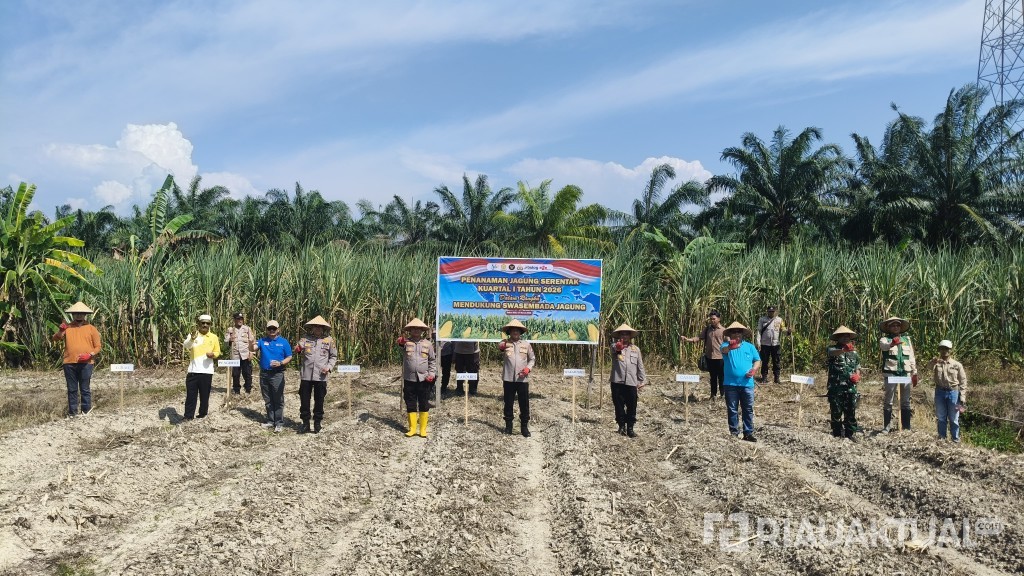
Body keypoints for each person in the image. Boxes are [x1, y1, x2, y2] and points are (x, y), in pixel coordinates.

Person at [52, 301, 102, 416]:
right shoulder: (67, 327)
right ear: (73, 315)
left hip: (86, 363)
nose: (78, 315)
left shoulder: (91, 328)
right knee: (72, 389)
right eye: (76, 313)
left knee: (85, 389)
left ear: (85, 315)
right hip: (69, 362)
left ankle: (86, 411)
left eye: (81, 313)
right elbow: (55, 338)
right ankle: (73, 413)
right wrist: (60, 330)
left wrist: (90, 354)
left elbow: (98, 346)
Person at [294, 315, 338, 434]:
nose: (317, 329)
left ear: (323, 328)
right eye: (315, 327)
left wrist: (328, 368)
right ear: (312, 328)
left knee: (319, 400)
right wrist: (298, 348)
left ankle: (317, 423)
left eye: (320, 327)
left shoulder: (329, 340)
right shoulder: (305, 339)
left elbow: (333, 357)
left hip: (321, 376)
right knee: (304, 400)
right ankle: (305, 423)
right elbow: (298, 348)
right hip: (306, 375)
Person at [721, 322, 761, 442]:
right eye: (734, 331)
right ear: (730, 334)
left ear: (742, 333)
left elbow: (757, 360)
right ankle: (734, 433)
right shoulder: (725, 345)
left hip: (747, 384)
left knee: (748, 409)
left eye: (739, 331)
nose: (737, 333)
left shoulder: (750, 347)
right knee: (732, 409)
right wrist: (731, 346)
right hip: (730, 384)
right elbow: (724, 350)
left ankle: (748, 433)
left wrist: (754, 369)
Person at [397, 318, 436, 438]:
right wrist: (400, 342)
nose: (416, 331)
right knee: (410, 403)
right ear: (410, 330)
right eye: (413, 329)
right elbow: (400, 344)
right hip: (409, 379)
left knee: (424, 403)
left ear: (422, 330)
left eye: (418, 329)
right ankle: (412, 428)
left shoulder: (427, 344)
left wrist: (431, 374)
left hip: (424, 379)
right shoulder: (406, 343)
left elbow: (432, 361)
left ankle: (423, 429)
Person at [878, 316, 918, 432]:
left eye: (898, 325)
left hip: (905, 373)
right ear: (888, 327)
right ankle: (887, 427)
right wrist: (892, 344)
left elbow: (911, 356)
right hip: (891, 374)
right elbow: (883, 347)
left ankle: (906, 427)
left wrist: (914, 371)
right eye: (893, 325)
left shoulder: (907, 339)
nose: (896, 327)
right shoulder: (885, 339)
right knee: (889, 401)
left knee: (905, 401)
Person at [498, 319, 536, 437]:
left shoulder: (526, 344)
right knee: (508, 403)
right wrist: (503, 345)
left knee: (524, 404)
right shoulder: (504, 343)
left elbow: (532, 359)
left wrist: (527, 369)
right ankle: (508, 426)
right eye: (513, 330)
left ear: (520, 333)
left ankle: (524, 427)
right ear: (509, 332)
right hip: (508, 378)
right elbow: (499, 347)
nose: (515, 332)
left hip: (522, 380)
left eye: (517, 331)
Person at [609, 323, 646, 438]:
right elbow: (616, 350)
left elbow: (640, 365)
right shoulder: (614, 346)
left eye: (626, 334)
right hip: (617, 381)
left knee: (632, 405)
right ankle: (621, 427)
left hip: (631, 381)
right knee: (618, 405)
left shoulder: (636, 350)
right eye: (622, 334)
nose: (624, 336)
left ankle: (630, 428)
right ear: (619, 335)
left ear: (630, 336)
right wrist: (619, 346)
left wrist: (642, 380)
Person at [927, 339, 968, 443]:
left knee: (954, 419)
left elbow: (963, 381)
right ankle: (942, 439)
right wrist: (933, 361)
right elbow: (928, 368)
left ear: (950, 350)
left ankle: (955, 440)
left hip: (953, 393)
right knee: (941, 417)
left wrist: (962, 397)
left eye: (946, 349)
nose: (944, 351)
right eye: (942, 349)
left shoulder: (957, 365)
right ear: (939, 350)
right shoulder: (936, 363)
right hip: (940, 392)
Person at [256, 320, 292, 433]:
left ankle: (279, 422)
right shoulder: (262, 341)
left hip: (277, 374)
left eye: (274, 329)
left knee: (278, 398)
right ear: (266, 330)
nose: (272, 331)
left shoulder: (284, 342)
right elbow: (253, 348)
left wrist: (281, 363)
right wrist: (251, 342)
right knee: (267, 398)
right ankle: (270, 420)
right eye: (269, 329)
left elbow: (289, 356)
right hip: (264, 373)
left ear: (278, 330)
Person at [826, 326, 862, 439]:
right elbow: (831, 354)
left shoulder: (854, 353)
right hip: (836, 387)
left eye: (848, 336)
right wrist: (843, 350)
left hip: (850, 387)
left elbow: (857, 366)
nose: (846, 338)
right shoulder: (832, 349)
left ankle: (849, 433)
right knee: (836, 411)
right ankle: (837, 433)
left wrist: (857, 375)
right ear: (838, 338)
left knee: (851, 410)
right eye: (843, 336)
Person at [183, 314, 221, 420]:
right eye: (202, 323)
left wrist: (213, 355)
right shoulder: (193, 335)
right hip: (193, 370)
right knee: (191, 395)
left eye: (207, 323)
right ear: (199, 323)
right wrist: (191, 339)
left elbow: (217, 351)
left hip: (206, 371)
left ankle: (203, 414)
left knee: (204, 396)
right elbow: (186, 345)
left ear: (210, 325)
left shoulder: (213, 337)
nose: (205, 325)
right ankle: (188, 416)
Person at [683, 310, 726, 400]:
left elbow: (729, 342)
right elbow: (699, 337)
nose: (712, 321)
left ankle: (723, 395)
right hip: (710, 357)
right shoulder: (707, 329)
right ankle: (713, 395)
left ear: (719, 319)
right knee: (713, 377)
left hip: (720, 357)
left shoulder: (723, 331)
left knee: (721, 377)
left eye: (714, 319)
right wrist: (688, 340)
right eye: (711, 319)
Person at [756, 305, 790, 384]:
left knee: (776, 361)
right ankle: (764, 377)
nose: (771, 313)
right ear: (767, 312)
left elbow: (783, 329)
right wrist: (758, 342)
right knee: (765, 361)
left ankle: (777, 378)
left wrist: (788, 331)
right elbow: (759, 331)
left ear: (775, 312)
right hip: (765, 344)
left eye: (772, 312)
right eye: (769, 312)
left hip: (775, 344)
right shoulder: (762, 320)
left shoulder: (779, 320)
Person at [224, 312, 257, 395]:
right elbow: (225, 343)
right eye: (238, 319)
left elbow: (252, 341)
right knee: (235, 374)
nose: (240, 320)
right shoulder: (230, 330)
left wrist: (252, 353)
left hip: (245, 355)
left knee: (247, 373)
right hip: (235, 356)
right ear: (234, 320)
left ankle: (248, 389)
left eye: (241, 319)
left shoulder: (247, 329)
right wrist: (229, 340)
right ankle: (236, 390)